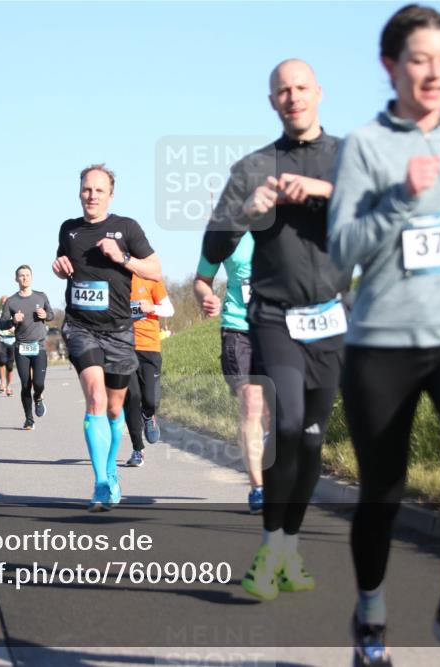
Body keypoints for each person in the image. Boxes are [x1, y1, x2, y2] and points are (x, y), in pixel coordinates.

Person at [327, 6, 440, 667]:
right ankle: (371, 618)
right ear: (390, 66)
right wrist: (400, 195)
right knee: (384, 491)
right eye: (420, 60)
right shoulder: (365, 145)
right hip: (383, 341)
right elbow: (342, 246)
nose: (434, 73)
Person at [201, 59, 348, 601]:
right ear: (272, 101)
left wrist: (320, 189)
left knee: (310, 443)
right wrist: (247, 211)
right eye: (282, 90)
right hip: (274, 317)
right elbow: (214, 246)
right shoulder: (253, 166)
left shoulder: (346, 158)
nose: (293, 96)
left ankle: (285, 548)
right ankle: (271, 546)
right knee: (286, 428)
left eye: (302, 87)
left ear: (319, 93)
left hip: (332, 319)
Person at [53, 164, 162, 511]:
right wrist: (58, 267)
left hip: (118, 331)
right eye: (86, 189)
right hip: (80, 327)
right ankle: (100, 482)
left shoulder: (126, 228)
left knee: (115, 409)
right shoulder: (68, 230)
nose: (92, 196)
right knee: (96, 399)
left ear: (110, 195)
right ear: (79, 192)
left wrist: (123, 257)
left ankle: (111, 471)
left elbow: (156, 270)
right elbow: (64, 265)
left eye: (99, 190)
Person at [193, 232, 267, 513]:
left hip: (278, 329)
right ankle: (258, 487)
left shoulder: (286, 224)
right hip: (238, 330)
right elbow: (202, 280)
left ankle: (274, 472)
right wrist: (207, 297)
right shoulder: (226, 233)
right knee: (252, 406)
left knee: (274, 413)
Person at [124, 275, 174, 467]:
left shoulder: (150, 280)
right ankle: (138, 449)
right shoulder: (114, 281)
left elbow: (170, 310)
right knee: (132, 398)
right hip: (125, 349)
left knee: (150, 399)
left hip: (150, 347)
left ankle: (148, 414)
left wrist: (151, 307)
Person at [0, 266, 54, 431]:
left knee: (38, 383)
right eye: (21, 276)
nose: (24, 278)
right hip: (21, 347)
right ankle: (29, 419)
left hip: (39, 346)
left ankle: (38, 397)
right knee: (25, 384)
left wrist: (46, 315)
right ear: (16, 279)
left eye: (27, 275)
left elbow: (51, 315)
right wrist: (13, 321)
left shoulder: (41, 296)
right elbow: (2, 324)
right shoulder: (11, 301)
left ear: (32, 277)